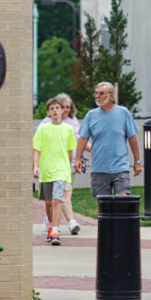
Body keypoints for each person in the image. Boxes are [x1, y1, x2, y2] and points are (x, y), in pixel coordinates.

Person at [75, 82, 142, 198]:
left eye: (101, 93)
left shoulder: (123, 113)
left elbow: (132, 139)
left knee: (122, 201)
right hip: (99, 169)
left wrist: (137, 162)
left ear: (111, 95)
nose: (97, 96)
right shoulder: (91, 115)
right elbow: (83, 139)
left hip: (120, 168)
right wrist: (77, 159)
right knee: (103, 208)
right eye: (96, 94)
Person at [33, 97, 76, 246]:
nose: (55, 111)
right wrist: (35, 166)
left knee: (58, 200)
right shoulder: (43, 129)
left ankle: (56, 231)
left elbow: (70, 151)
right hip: (46, 170)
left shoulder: (68, 129)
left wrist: (68, 166)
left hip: (61, 171)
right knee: (49, 202)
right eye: (52, 109)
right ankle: (51, 224)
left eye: (57, 108)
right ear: (48, 112)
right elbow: (36, 149)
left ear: (62, 110)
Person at [57, 93, 81, 235]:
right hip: (58, 165)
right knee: (65, 193)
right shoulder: (50, 121)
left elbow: (80, 140)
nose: (65, 110)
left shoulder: (73, 121)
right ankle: (72, 223)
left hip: (71, 164)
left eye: (68, 107)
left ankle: (51, 218)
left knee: (66, 194)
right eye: (63, 107)